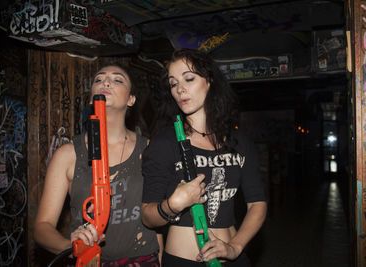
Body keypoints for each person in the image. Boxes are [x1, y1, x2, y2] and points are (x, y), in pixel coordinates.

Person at [141, 49, 267, 267]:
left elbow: (257, 204)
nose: (180, 89)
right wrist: (173, 204)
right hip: (185, 260)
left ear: (209, 80)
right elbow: (147, 216)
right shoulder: (165, 141)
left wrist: (235, 246)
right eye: (173, 83)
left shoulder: (239, 142)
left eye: (189, 78)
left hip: (232, 257)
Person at [34, 63, 162, 266]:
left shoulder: (148, 149)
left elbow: (156, 220)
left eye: (117, 79)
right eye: (99, 79)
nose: (106, 82)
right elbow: (42, 226)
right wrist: (70, 245)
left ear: (131, 99)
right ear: (91, 96)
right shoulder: (67, 154)